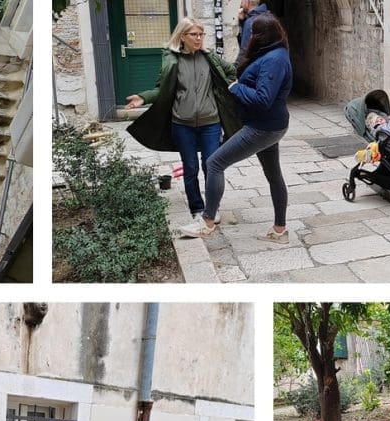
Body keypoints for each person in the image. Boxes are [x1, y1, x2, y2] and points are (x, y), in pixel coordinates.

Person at [177, 13, 292, 242]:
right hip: (270, 125)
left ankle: (207, 222)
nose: (250, 37)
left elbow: (263, 99)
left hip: (264, 127)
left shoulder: (274, 59)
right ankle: (280, 230)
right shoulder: (273, 54)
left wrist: (235, 87)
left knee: (215, 162)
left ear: (262, 35)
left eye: (253, 33)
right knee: (273, 175)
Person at [124, 18, 238, 224]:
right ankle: (197, 208)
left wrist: (225, 88)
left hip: (211, 123)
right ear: (182, 36)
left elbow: (230, 71)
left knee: (212, 166)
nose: (199, 38)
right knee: (191, 167)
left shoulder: (209, 58)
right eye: (194, 34)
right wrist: (143, 97)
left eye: (201, 34)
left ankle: (212, 209)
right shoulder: (172, 61)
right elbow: (161, 88)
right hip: (182, 124)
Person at [235, 0, 269, 64]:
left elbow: (245, 51)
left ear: (247, 1)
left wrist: (234, 69)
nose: (241, 3)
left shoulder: (250, 22)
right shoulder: (267, 16)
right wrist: (243, 21)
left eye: (242, 0)